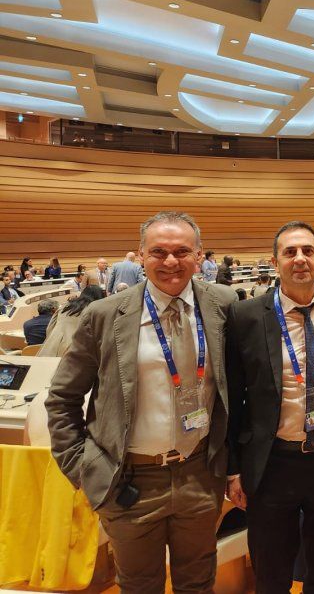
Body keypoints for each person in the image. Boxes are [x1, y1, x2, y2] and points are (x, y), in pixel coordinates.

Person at [45, 211, 238, 592]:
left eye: (182, 251)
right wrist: (84, 470)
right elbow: (63, 398)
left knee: (198, 582)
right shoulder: (103, 315)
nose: (170, 262)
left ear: (199, 256)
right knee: (138, 586)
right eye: (159, 252)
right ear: (141, 255)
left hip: (199, 473)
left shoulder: (225, 306)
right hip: (129, 481)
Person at [226, 221, 314, 593]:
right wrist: (233, 469)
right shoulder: (246, 316)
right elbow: (234, 397)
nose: (300, 259)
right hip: (271, 465)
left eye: (308, 251)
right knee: (271, 572)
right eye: (290, 252)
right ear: (274, 261)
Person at [38, 285, 107, 357]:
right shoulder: (94, 310)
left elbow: (50, 328)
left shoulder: (64, 306)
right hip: (75, 349)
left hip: (51, 346)